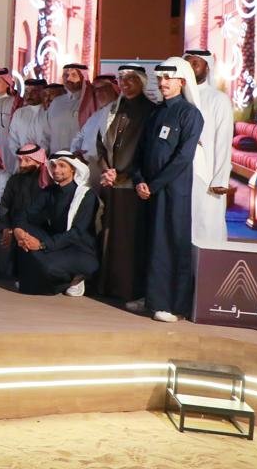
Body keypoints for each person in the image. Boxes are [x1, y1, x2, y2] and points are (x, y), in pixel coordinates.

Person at [131, 58, 204, 322]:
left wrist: (153, 185)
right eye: (159, 79)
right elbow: (141, 151)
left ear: (181, 82)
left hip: (173, 191)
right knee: (148, 242)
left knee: (170, 245)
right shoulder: (156, 112)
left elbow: (183, 158)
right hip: (148, 191)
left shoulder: (190, 114)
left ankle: (169, 304)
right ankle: (149, 297)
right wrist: (139, 180)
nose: (161, 83)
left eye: (167, 79)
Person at [93, 65, 156, 302]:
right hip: (110, 183)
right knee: (107, 233)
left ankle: (128, 290)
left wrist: (123, 174)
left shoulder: (151, 111)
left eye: (131, 79)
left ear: (142, 82)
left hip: (133, 186)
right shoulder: (114, 108)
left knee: (129, 238)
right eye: (121, 79)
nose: (125, 84)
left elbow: (147, 151)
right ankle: (106, 287)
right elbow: (100, 142)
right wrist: (106, 170)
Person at [12, 151, 99, 297]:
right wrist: (18, 231)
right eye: (53, 166)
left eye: (62, 166)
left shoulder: (86, 195)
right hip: (55, 244)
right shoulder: (49, 191)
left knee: (47, 266)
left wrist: (41, 245)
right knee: (23, 232)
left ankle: (76, 278)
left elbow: (76, 233)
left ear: (73, 169)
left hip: (79, 249)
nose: (56, 170)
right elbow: (25, 213)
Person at [183, 49, 234, 245]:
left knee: (206, 224)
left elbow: (224, 141)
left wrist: (220, 178)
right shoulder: (179, 97)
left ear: (207, 67)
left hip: (208, 176)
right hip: (181, 173)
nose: (191, 67)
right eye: (188, 63)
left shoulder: (218, 99)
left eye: (196, 63)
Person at [0, 143, 52, 278]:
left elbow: (44, 212)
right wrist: (7, 226)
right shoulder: (14, 180)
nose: (22, 164)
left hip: (35, 223)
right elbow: (4, 205)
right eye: (21, 160)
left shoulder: (46, 182)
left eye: (27, 160)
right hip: (12, 221)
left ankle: (22, 271)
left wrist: (17, 227)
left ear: (38, 161)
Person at [46, 63, 97, 160]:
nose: (68, 78)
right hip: (56, 158)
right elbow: (47, 132)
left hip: (80, 159)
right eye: (65, 75)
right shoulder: (56, 102)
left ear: (83, 77)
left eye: (73, 75)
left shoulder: (91, 101)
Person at [70, 77, 119, 165]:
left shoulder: (121, 113)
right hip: (87, 164)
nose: (98, 93)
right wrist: (76, 153)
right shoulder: (95, 115)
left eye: (103, 89)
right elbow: (80, 136)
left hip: (107, 166)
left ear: (114, 89)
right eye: (96, 90)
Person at [8, 78, 50, 156]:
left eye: (34, 91)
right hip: (22, 159)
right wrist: (20, 156)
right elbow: (13, 139)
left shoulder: (49, 112)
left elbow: (50, 140)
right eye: (27, 91)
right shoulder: (19, 113)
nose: (29, 95)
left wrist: (39, 157)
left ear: (43, 92)